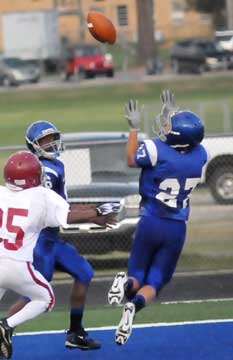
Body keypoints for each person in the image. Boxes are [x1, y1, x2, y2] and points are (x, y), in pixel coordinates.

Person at [7, 121, 119, 351]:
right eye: (44, 140)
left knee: (84, 273)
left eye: (52, 138)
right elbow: (54, 210)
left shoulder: (55, 165)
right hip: (39, 241)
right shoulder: (44, 170)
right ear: (33, 145)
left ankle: (75, 333)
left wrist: (92, 214)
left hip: (52, 239)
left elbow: (62, 206)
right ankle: (4, 329)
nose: (50, 143)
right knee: (36, 292)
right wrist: (93, 213)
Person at [108, 90, 208, 345]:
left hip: (151, 220)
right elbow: (182, 141)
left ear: (175, 136)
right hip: (176, 227)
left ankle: (126, 286)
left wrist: (134, 128)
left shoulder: (155, 148)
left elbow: (133, 159)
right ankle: (133, 308)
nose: (164, 126)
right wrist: (170, 116)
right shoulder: (200, 154)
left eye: (168, 126)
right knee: (157, 280)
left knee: (137, 274)